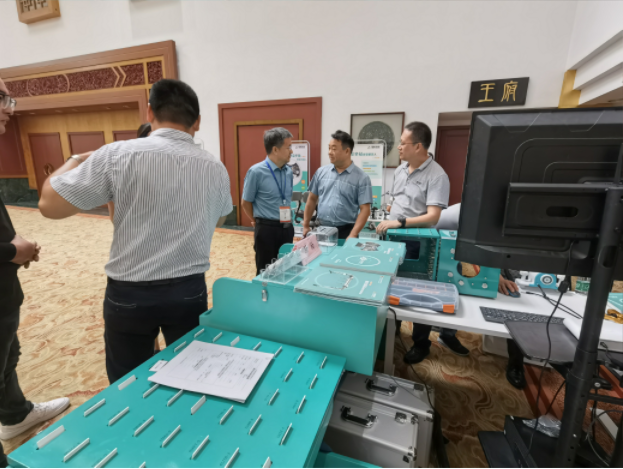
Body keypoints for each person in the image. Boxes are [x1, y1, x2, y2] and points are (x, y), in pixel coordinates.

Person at [38, 79, 233, 384]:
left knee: (127, 381)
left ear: (150, 112)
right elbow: (219, 220)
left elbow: (49, 205)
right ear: (197, 121)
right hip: (189, 289)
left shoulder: (117, 154)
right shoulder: (215, 167)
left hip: (129, 292)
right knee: (193, 374)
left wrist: (75, 159)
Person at [0, 78, 69, 468]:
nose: (9, 108)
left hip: (4, 290)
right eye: (1, 98)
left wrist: (15, 246)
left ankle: (15, 414)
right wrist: (13, 250)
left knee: (8, 355)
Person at [374, 122, 461, 363]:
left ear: (418, 146)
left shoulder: (437, 176)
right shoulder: (401, 170)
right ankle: (392, 331)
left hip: (418, 241)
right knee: (390, 284)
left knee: (419, 290)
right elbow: (397, 201)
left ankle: (421, 343)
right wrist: (390, 217)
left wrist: (400, 222)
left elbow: (433, 217)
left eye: (403, 143)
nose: (399, 147)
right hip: (392, 236)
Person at [241, 128, 294, 276]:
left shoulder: (289, 171)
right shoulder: (256, 172)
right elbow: (245, 202)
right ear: (275, 149)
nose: (291, 151)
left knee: (286, 270)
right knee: (265, 272)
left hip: (287, 227)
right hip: (266, 230)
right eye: (288, 147)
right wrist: (256, 220)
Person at [303, 130, 372, 239]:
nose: (330, 152)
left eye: (334, 149)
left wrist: (353, 234)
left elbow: (365, 210)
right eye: (329, 148)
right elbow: (312, 199)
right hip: (322, 229)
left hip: (347, 232)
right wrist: (306, 225)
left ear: (347, 151)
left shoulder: (362, 178)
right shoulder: (321, 172)